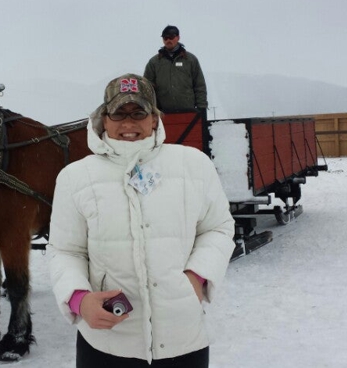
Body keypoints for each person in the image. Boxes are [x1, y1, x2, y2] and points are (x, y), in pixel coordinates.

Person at [48, 73, 234, 367]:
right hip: (107, 344)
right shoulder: (75, 177)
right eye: (119, 113)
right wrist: (79, 299)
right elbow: (65, 250)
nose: (128, 123)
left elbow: (218, 228)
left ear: (154, 119)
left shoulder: (193, 164)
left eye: (138, 112)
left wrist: (197, 278)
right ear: (103, 119)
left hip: (182, 338)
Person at [144, 25, 208, 112]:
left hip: (189, 112)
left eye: (171, 37)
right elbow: (147, 87)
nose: (168, 40)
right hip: (163, 113)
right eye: (165, 38)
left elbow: (199, 85)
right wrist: (149, 109)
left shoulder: (190, 60)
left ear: (178, 37)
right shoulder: (154, 62)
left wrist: (202, 107)